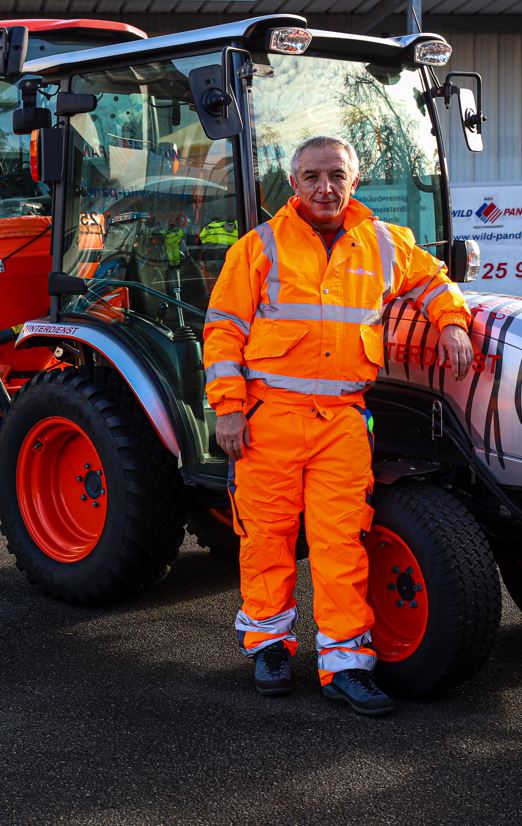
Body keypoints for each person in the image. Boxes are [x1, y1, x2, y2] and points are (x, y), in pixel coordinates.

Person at [203, 136, 473, 716]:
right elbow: (224, 330)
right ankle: (269, 646)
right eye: (312, 176)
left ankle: (346, 663)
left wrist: (451, 322)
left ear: (355, 180)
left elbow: (433, 281)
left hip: (343, 422)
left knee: (341, 544)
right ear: (293, 182)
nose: (325, 188)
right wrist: (227, 408)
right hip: (267, 418)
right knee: (267, 538)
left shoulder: (385, 242)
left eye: (336, 176)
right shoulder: (260, 248)